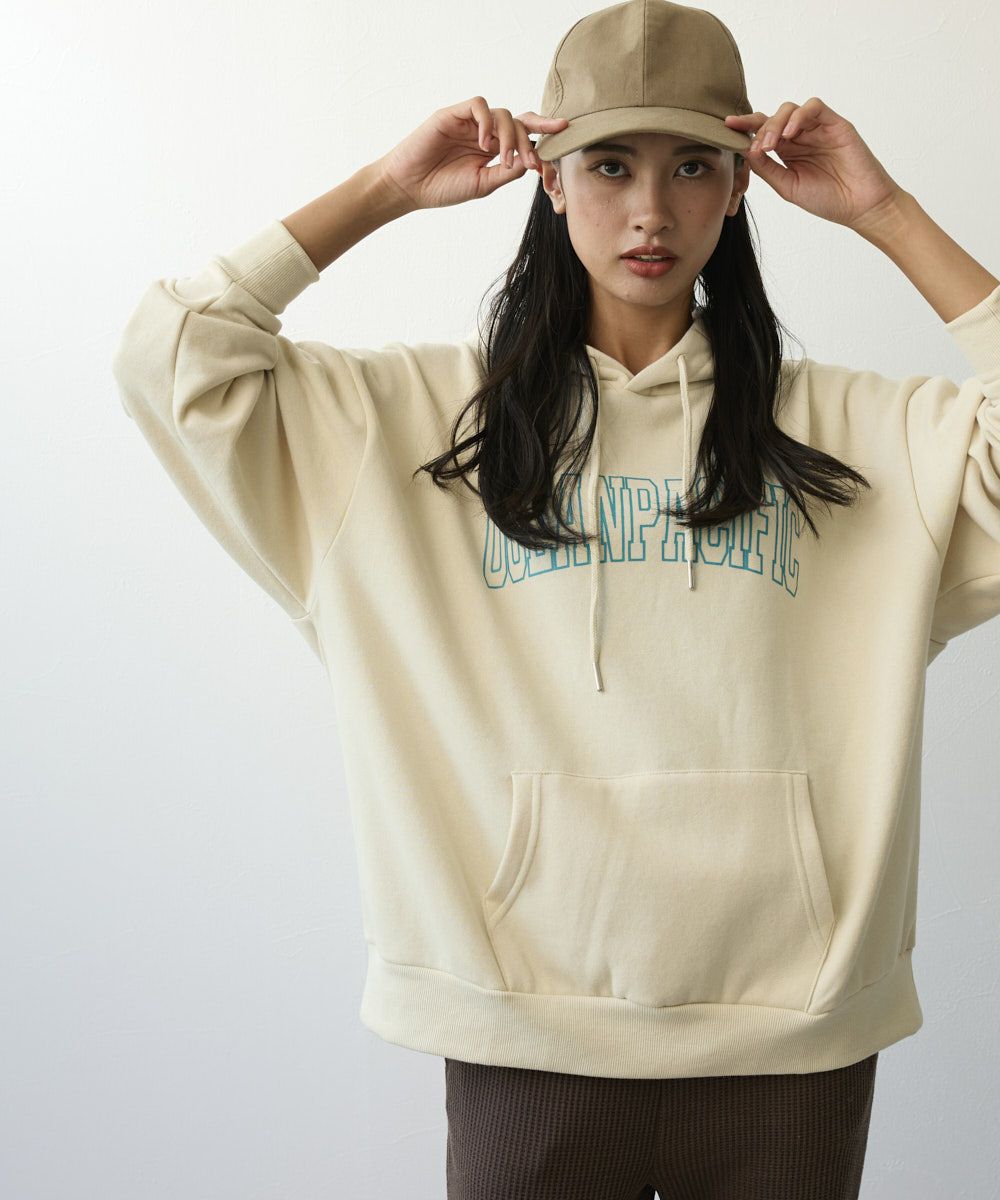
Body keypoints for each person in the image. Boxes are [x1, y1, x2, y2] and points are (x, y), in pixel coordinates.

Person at [111, 1, 1000, 1196]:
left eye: (693, 166)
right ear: (547, 176)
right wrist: (385, 189)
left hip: (793, 1035)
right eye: (610, 164)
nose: (651, 212)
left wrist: (885, 213)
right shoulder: (408, 426)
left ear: (741, 183)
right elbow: (172, 353)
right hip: (522, 1026)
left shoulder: (852, 434)